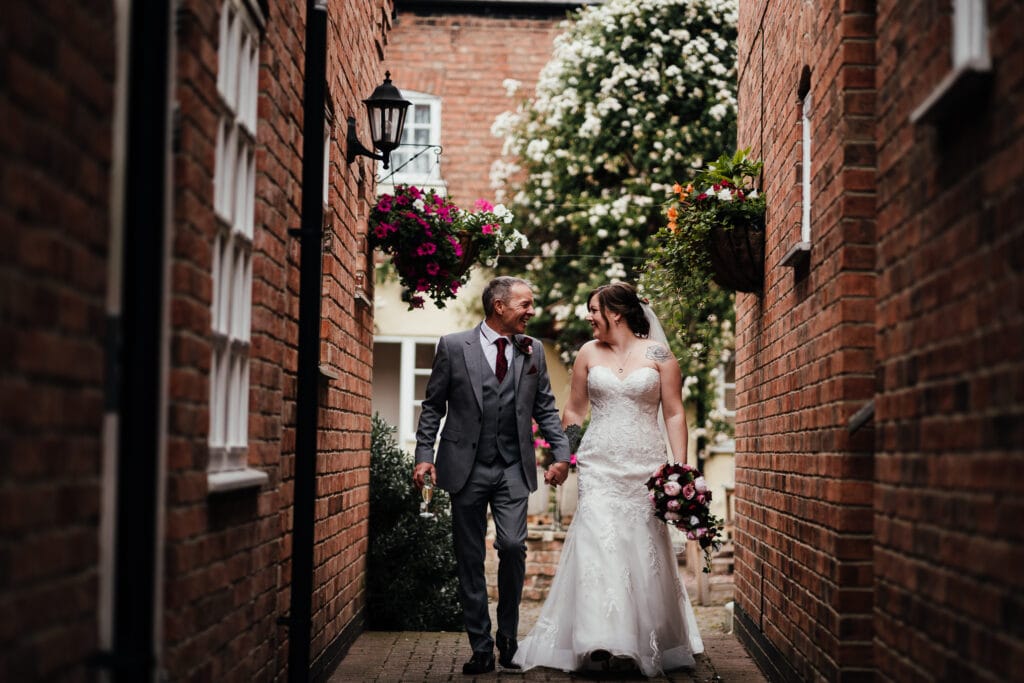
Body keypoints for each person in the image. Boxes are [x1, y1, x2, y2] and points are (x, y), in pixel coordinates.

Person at [512, 282, 704, 676]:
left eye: (594, 310)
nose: (589, 317)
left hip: (646, 467)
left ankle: (642, 639)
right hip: (599, 465)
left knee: (641, 547)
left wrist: (678, 469)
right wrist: (565, 456)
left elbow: (673, 413)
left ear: (615, 312)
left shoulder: (660, 355)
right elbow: (576, 412)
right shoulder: (587, 352)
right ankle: (598, 639)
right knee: (598, 545)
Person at [413, 276, 572, 675]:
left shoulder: (531, 350)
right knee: (469, 558)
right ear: (499, 306)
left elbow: (546, 408)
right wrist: (423, 455)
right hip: (464, 468)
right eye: (525, 304)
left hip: (512, 467)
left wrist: (563, 453)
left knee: (514, 546)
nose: (531, 311)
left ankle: (508, 638)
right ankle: (481, 646)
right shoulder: (452, 346)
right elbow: (433, 406)